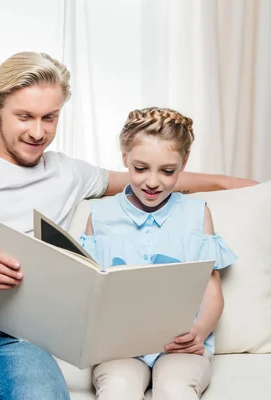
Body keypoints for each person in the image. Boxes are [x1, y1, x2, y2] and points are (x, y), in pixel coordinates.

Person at [0, 52, 259, 400]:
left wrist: (230, 183)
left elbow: (149, 176)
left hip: (14, 332)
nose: (39, 132)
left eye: (50, 118)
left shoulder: (70, 173)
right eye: (25, 116)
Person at [80, 107, 236, 400]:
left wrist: (200, 332)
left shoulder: (196, 214)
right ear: (124, 157)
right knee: (117, 389)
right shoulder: (100, 215)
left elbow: (211, 288)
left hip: (180, 345)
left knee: (175, 389)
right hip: (120, 346)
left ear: (184, 163)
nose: (152, 182)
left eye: (167, 171)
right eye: (140, 169)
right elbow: (89, 289)